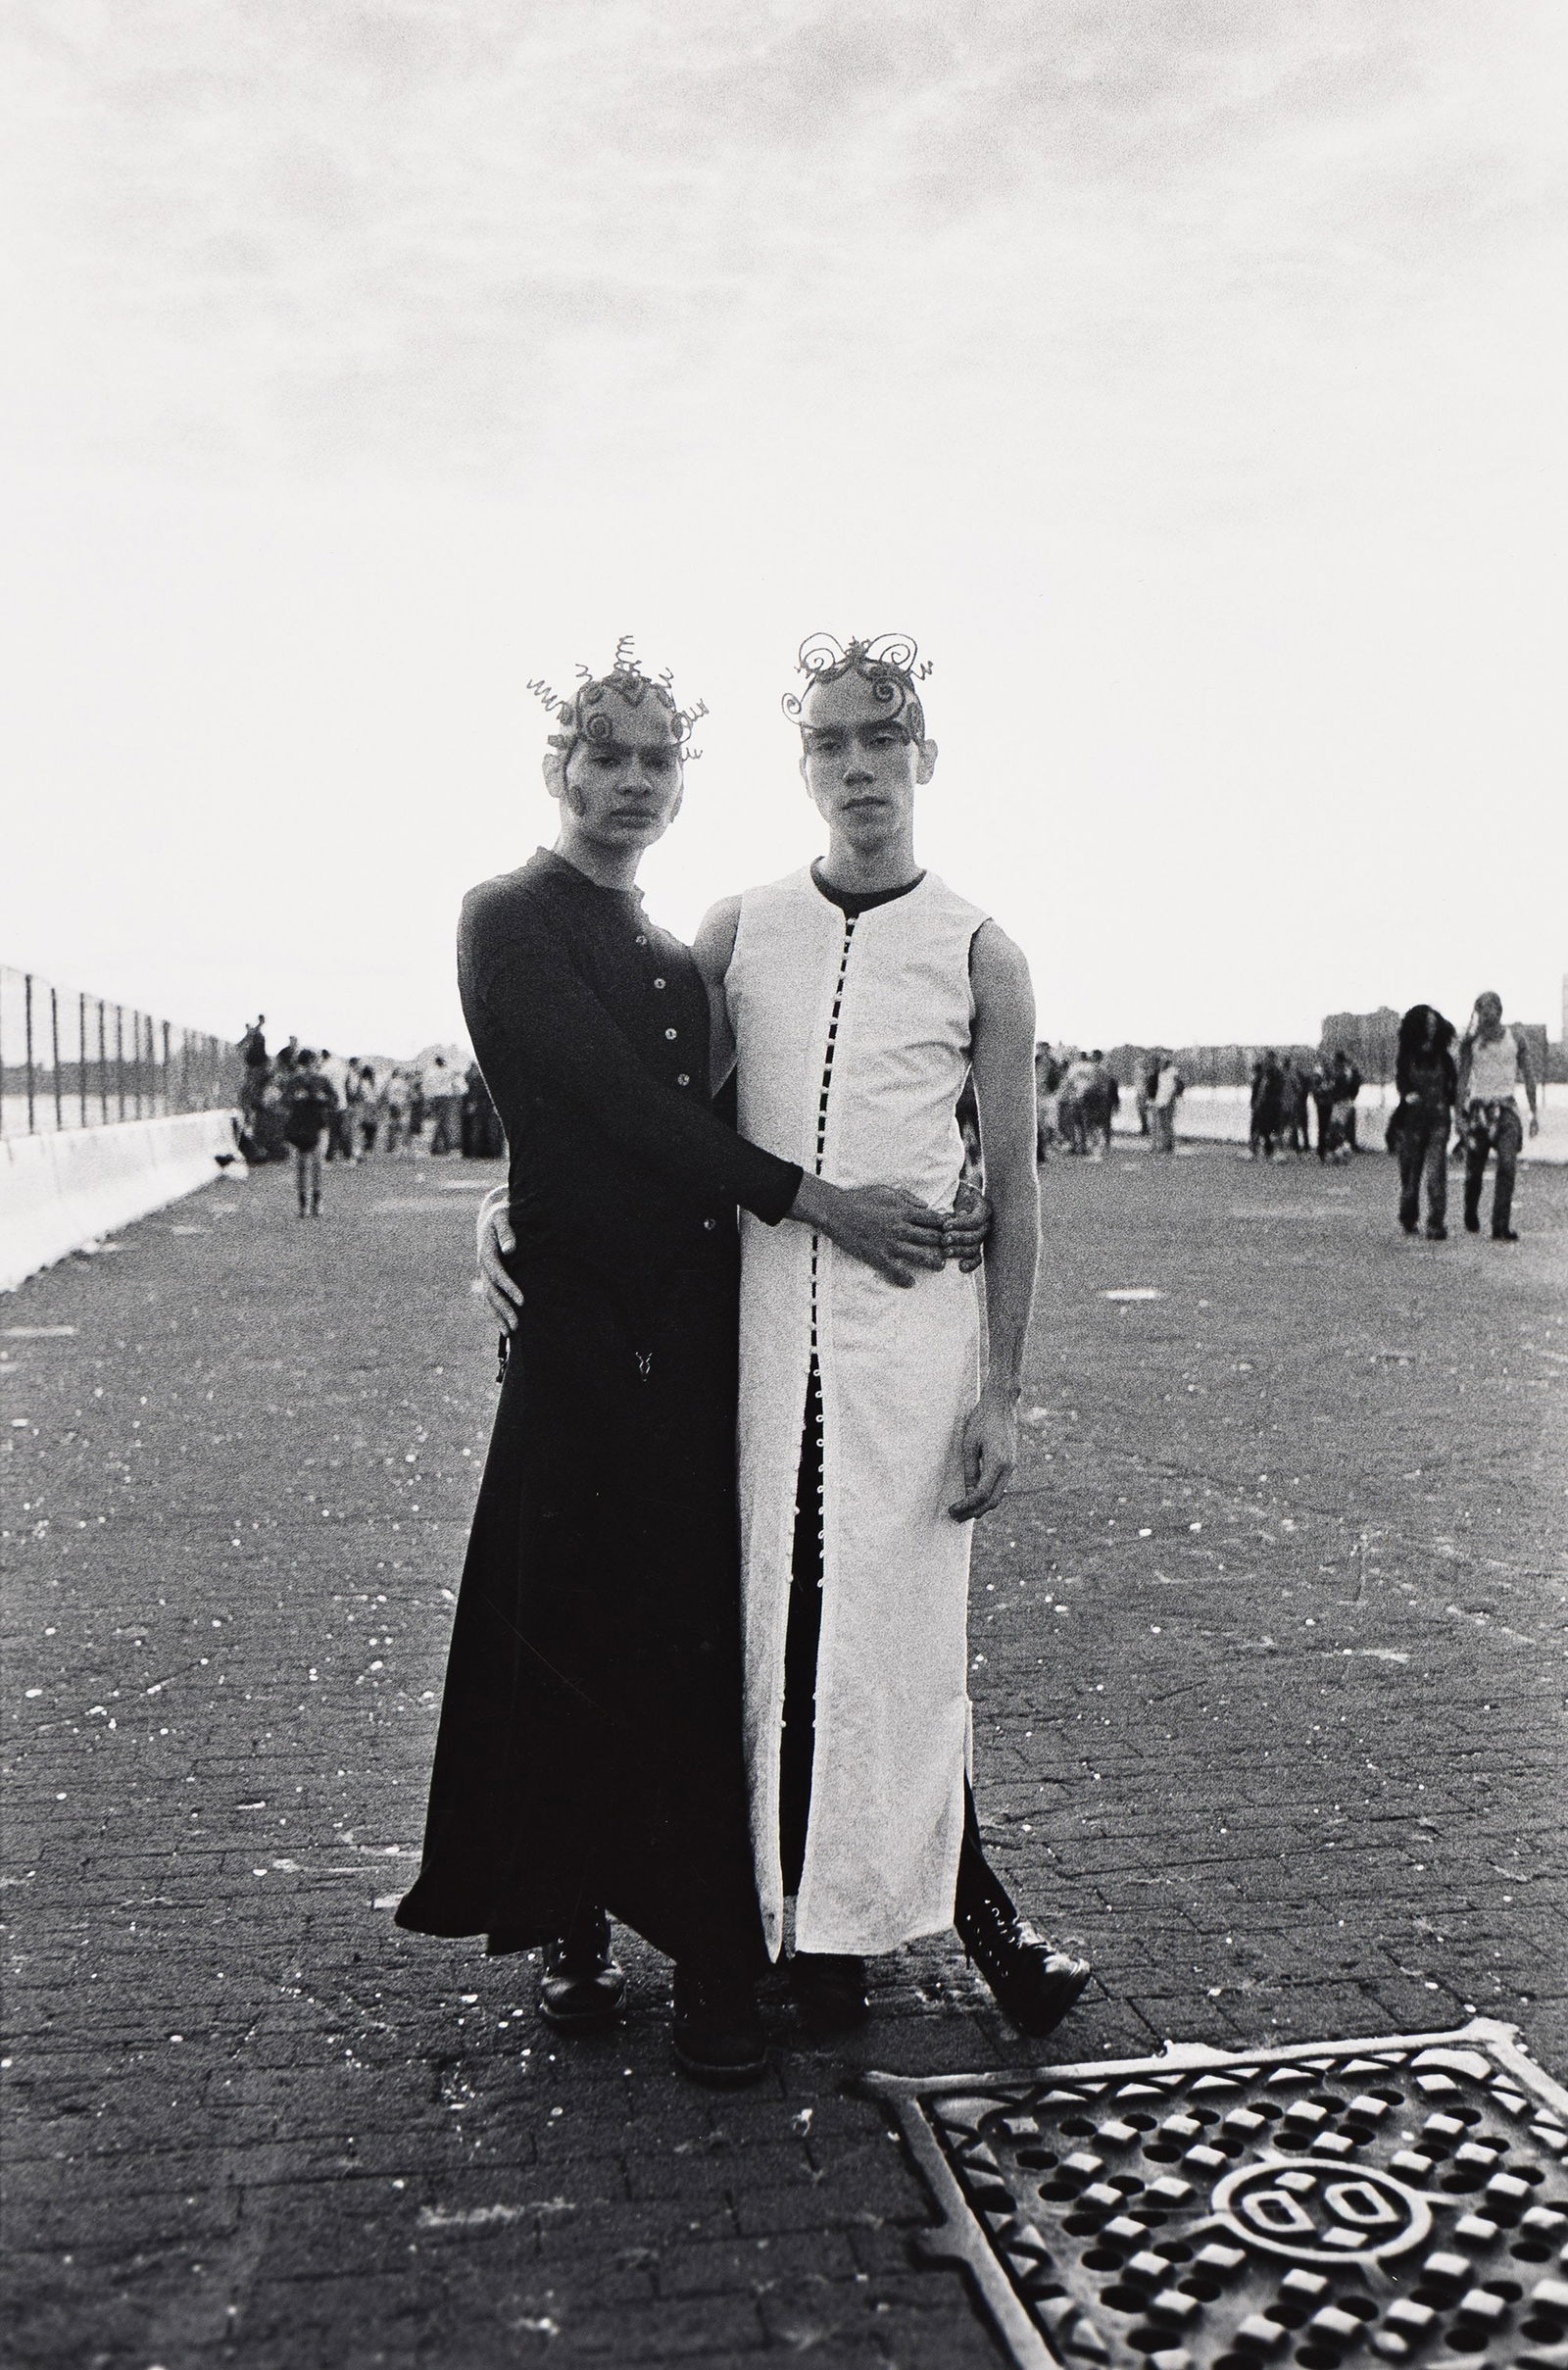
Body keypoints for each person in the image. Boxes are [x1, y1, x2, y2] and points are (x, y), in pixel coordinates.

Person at [399, 646, 967, 2086]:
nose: (636, 783)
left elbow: (699, 1102)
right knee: (561, 1617)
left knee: (684, 1634)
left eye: (661, 762)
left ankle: (712, 1943)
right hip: (576, 1339)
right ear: (561, 770)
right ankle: (570, 1917)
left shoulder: (671, 951)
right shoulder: (504, 918)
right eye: (612, 758)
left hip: (694, 1331)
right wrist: (819, 1197)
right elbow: (602, 1108)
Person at [696, 632, 1091, 2042]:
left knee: (901, 1641)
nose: (858, 765)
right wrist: (507, 1210)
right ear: (801, 763)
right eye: (829, 741)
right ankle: (797, 1924)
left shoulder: (982, 950)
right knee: (778, 1617)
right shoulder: (738, 929)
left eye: (884, 736)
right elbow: (655, 1117)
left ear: (928, 753)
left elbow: (1020, 1182)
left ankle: (924, 1917)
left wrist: (1006, 1394)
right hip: (755, 1333)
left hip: (911, 1351)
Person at [1456, 992, 1540, 1241]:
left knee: (1507, 1165)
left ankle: (1500, 1225)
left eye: (1491, 1007)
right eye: (1482, 1008)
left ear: (1499, 1010)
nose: (1487, 1013)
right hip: (1479, 1110)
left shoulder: (1515, 1038)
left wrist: (1534, 1113)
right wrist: (1458, 1114)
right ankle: (1470, 1209)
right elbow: (1462, 1078)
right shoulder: (1470, 1042)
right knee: (1474, 1172)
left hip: (1506, 1111)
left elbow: (1529, 1074)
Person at [1394, 1005, 1457, 1240]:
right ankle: (1409, 1217)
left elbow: (1453, 1084)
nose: (1431, 1028)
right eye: (1427, 1024)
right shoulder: (1407, 1055)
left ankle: (1435, 1223)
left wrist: (1449, 1099)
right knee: (1410, 1174)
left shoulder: (1444, 1056)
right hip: (1411, 1121)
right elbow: (1401, 1080)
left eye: (1434, 1024)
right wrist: (1407, 1093)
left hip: (1438, 1119)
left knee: (1435, 1171)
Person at [278, 1050, 338, 1215]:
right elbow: (284, 1101)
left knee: (314, 1165)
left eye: (310, 1064)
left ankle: (313, 1204)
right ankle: (305, 1204)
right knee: (304, 1166)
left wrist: (322, 1099)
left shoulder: (321, 1080)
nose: (309, 1068)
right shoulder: (296, 1081)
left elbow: (334, 1100)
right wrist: (296, 1099)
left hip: (315, 1125)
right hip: (303, 1126)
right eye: (306, 1065)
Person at [1249, 1052, 1284, 1160]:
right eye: (1267, 1060)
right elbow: (1256, 1089)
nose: (1268, 1063)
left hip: (1272, 1105)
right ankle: (1257, 1149)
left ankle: (1273, 1150)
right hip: (1261, 1105)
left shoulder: (1277, 1075)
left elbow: (1278, 1090)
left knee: (1272, 1128)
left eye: (1270, 1060)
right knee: (1259, 1128)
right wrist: (1254, 1101)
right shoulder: (1262, 1075)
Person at [1150, 1052, 1184, 1153]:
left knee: (1167, 1124)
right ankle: (1164, 1145)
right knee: (1161, 1124)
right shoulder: (1159, 1072)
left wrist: (1175, 1095)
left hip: (1168, 1100)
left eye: (1163, 1061)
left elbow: (1178, 1085)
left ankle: (1168, 1146)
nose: (1161, 1063)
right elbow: (1156, 1087)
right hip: (1159, 1100)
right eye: (1160, 1061)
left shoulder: (1172, 1071)